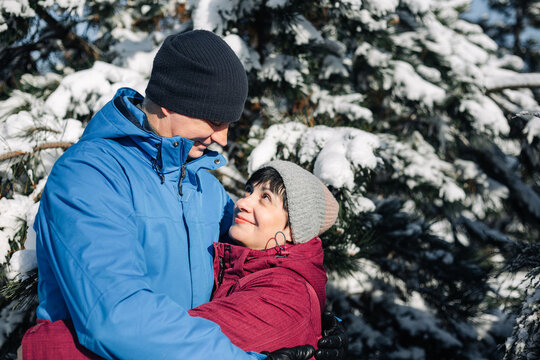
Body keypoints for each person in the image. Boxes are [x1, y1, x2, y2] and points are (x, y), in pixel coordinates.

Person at [21, 30, 346, 360]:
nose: (221, 138)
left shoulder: (205, 189)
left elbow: (269, 258)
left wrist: (309, 324)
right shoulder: (90, 175)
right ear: (170, 101)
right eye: (214, 119)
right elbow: (118, 320)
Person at [21, 160, 342, 358]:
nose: (243, 203)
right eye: (248, 191)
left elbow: (172, 345)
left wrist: (41, 349)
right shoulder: (247, 270)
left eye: (265, 198)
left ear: (292, 230)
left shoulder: (285, 294)